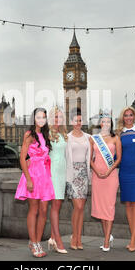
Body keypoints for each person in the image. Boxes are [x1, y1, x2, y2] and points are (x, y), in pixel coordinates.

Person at [15, 107, 55, 258]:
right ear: (34, 119)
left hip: (44, 175)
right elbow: (22, 158)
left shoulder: (45, 135)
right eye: (39, 117)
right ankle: (34, 242)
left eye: (44, 117)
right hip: (33, 175)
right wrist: (28, 179)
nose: (41, 120)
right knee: (34, 210)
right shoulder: (29, 135)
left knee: (44, 211)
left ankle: (37, 241)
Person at [90, 113, 121, 252]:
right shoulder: (94, 139)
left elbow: (118, 159)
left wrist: (109, 171)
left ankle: (106, 241)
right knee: (101, 207)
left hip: (111, 176)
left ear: (111, 124)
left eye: (108, 121)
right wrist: (96, 171)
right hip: (97, 176)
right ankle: (108, 236)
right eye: (103, 121)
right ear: (100, 123)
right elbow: (90, 159)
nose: (106, 124)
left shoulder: (116, 138)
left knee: (109, 207)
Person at [117, 107, 135, 252]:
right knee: (128, 204)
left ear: (134, 116)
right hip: (124, 171)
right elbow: (116, 154)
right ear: (123, 117)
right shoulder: (120, 133)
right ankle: (134, 234)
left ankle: (133, 239)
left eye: (131, 115)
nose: (128, 117)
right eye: (126, 115)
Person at [66, 108, 91, 250]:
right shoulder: (67, 137)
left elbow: (92, 156)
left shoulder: (88, 137)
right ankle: (74, 236)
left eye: (80, 120)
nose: (78, 123)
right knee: (78, 206)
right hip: (72, 173)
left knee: (81, 209)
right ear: (71, 122)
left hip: (83, 173)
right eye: (76, 120)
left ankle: (78, 238)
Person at [47, 106, 68, 254]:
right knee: (55, 206)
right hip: (53, 171)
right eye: (55, 117)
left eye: (60, 117)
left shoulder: (63, 134)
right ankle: (58, 240)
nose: (57, 120)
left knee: (58, 205)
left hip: (62, 171)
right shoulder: (47, 134)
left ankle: (52, 238)